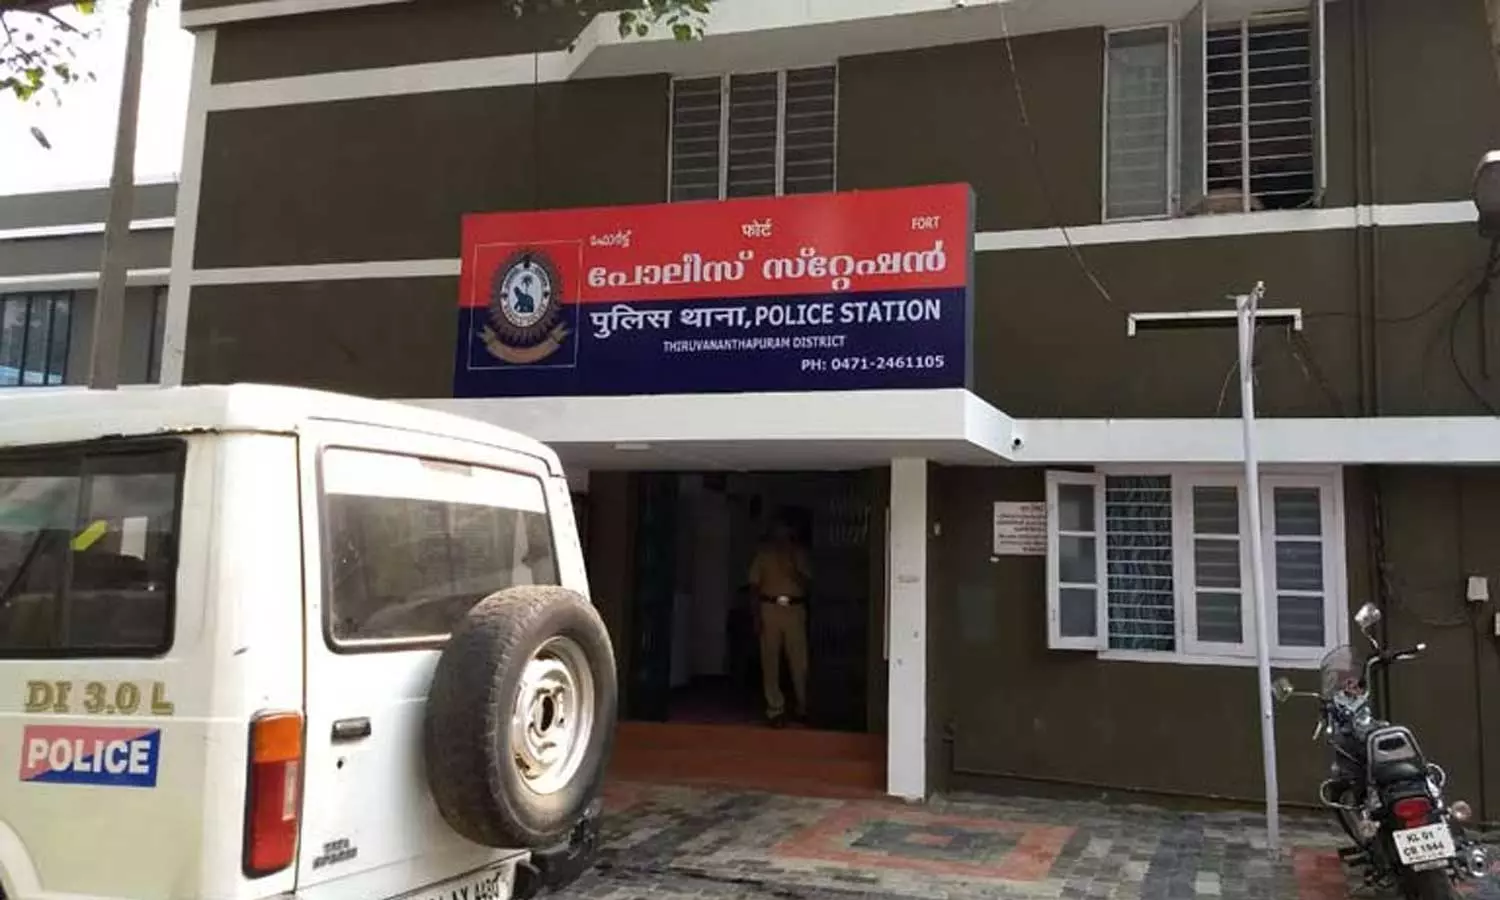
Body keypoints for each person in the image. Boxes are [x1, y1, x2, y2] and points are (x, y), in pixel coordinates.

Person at [746, 518, 811, 728]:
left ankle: (803, 706)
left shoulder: (799, 555)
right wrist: (756, 616)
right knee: (770, 660)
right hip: (769, 608)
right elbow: (754, 587)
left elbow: (808, 585)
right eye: (779, 533)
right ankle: (775, 709)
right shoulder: (763, 555)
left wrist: (792, 565)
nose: (782, 538)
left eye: (786, 533)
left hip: (794, 609)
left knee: (800, 660)